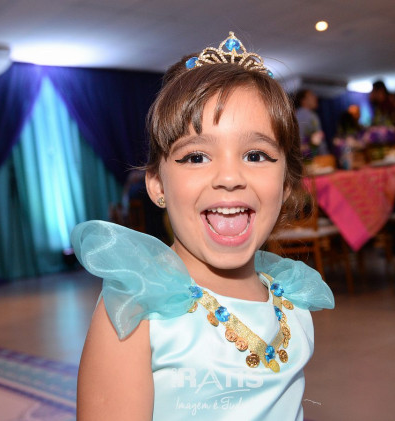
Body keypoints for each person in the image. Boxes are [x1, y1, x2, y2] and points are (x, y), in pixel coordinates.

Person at [71, 32, 334, 421]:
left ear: (285, 186)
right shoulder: (138, 310)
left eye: (255, 155)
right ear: (158, 185)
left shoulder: (293, 300)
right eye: (196, 157)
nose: (229, 177)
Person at [294, 88, 327, 159]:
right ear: (303, 100)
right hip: (307, 158)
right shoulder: (306, 115)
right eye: (311, 95)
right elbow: (298, 140)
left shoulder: (299, 114)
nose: (315, 97)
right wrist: (324, 155)